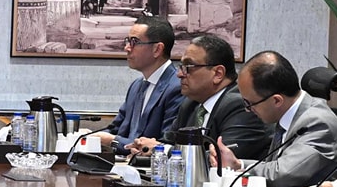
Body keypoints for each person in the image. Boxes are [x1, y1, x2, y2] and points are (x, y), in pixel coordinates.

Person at [212, 51, 337, 187]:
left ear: (277, 100)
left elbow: (282, 175)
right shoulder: (288, 116)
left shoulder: (318, 123)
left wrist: (240, 168)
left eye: (250, 103)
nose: (248, 110)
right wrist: (236, 164)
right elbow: (274, 167)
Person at [127, 33, 269, 161]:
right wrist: (146, 149)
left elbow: (220, 158)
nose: (179, 74)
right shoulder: (190, 104)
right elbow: (168, 141)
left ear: (218, 74)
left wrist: (162, 150)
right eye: (181, 66)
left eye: (188, 67)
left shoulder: (241, 105)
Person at [91, 16, 181, 149]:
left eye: (134, 42)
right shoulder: (136, 85)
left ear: (157, 49)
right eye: (127, 41)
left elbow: (164, 145)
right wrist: (90, 136)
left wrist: (112, 141)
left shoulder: (177, 87)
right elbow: (115, 129)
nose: (127, 48)